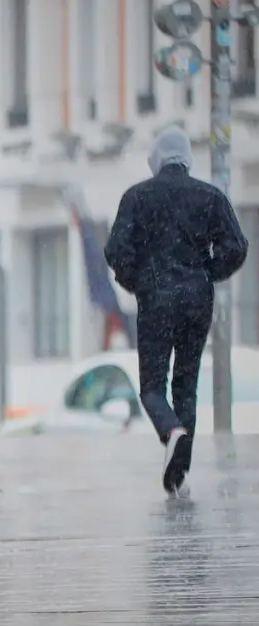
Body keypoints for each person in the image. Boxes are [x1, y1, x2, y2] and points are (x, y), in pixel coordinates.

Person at [105, 125, 248, 499]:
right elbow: (236, 247)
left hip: (156, 299)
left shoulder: (137, 197)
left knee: (153, 387)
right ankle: (178, 473)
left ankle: (172, 433)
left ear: (157, 156)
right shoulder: (210, 197)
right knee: (186, 383)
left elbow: (115, 250)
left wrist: (137, 281)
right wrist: (207, 274)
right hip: (197, 300)